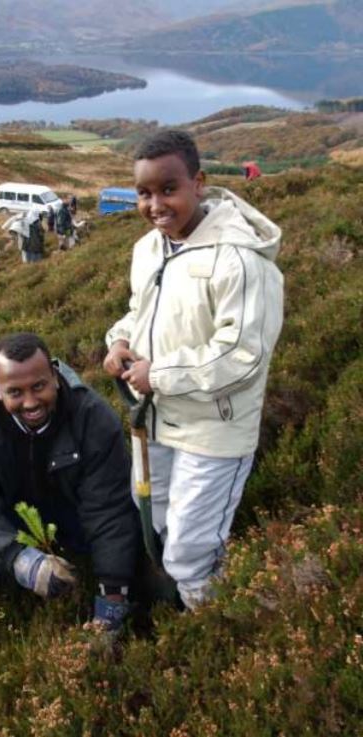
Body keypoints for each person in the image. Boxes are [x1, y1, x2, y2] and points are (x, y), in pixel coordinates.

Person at [103, 130, 284, 610]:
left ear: (198, 182)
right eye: (144, 193)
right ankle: (172, 606)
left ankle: (212, 630)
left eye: (168, 189)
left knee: (190, 550)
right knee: (154, 518)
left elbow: (242, 356)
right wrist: (119, 341)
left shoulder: (239, 259)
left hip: (214, 431)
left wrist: (158, 375)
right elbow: (141, 312)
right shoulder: (149, 248)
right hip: (157, 421)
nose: (155, 204)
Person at [0, 332, 138, 633]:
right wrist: (20, 561)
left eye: (39, 386)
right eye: (15, 392)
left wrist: (112, 598)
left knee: (133, 539)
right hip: (10, 523)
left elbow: (108, 509)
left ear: (55, 377)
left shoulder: (92, 417)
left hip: (72, 516)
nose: (30, 402)